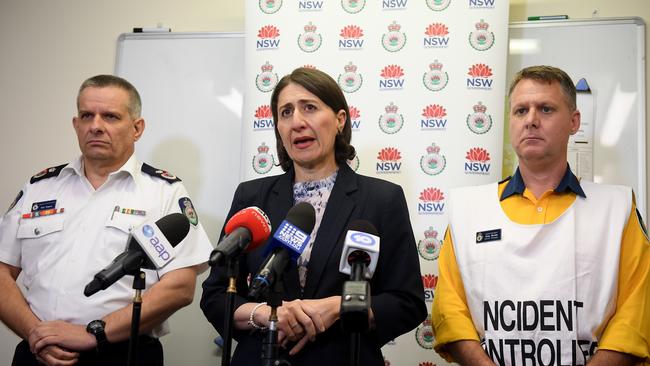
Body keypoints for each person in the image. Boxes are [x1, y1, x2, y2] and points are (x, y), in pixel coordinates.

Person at [201, 67, 427, 365]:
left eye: (309, 107)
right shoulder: (252, 197)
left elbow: (406, 302)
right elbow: (217, 295)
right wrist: (268, 316)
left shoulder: (382, 200)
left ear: (339, 120)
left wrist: (340, 307)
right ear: (279, 130)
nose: (297, 122)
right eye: (285, 112)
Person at [431, 65, 650, 365]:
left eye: (546, 109)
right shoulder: (468, 210)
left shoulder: (617, 208)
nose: (531, 120)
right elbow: (449, 310)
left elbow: (635, 315)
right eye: (521, 111)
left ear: (574, 122)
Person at [0, 75, 213, 366]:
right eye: (87, 115)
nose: (96, 126)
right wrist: (35, 333)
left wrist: (93, 334)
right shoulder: (39, 187)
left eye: (110, 116)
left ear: (137, 128)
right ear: (76, 125)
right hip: (38, 352)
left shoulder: (164, 191)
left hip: (121, 353)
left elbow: (180, 286)